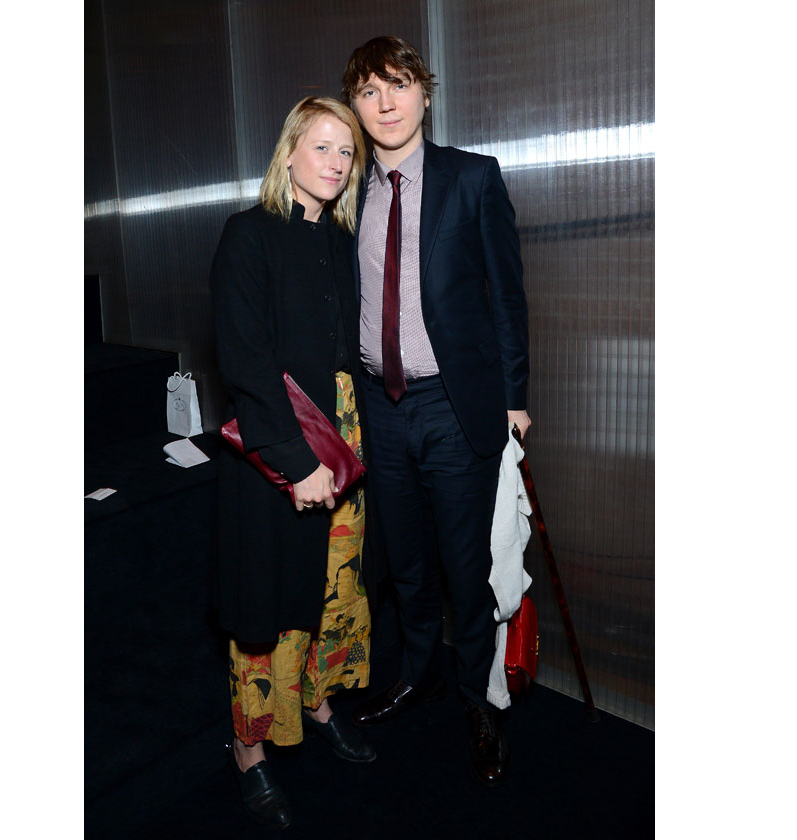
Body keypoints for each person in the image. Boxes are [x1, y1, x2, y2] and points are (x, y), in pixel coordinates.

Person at [341, 36, 531, 788]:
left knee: (464, 567)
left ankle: (480, 703)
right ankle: (417, 675)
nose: (385, 103)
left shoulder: (473, 177)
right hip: (378, 407)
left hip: (455, 405)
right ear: (355, 106)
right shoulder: (346, 188)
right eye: (368, 91)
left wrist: (515, 397)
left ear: (425, 92)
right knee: (406, 564)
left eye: (398, 84)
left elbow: (507, 296)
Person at [210, 96, 374, 830]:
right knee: (267, 601)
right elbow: (244, 362)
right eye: (322, 147)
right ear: (289, 152)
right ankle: (249, 746)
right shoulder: (248, 235)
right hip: (280, 447)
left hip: (347, 441)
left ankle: (317, 701)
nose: (336, 163)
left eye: (346, 151)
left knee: (334, 584)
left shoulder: (340, 239)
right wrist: (298, 463)